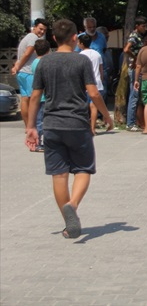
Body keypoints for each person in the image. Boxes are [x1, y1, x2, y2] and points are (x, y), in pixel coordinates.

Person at [25, 19, 114, 239]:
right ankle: (72, 206)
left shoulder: (44, 63)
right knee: (83, 169)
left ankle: (68, 224)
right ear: (75, 37)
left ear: (53, 38)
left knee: (59, 174)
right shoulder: (81, 61)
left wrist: (30, 127)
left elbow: (35, 96)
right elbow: (93, 93)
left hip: (52, 125)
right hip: (77, 124)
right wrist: (105, 115)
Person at [11, 18, 48, 126]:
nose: (42, 32)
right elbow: (27, 54)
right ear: (34, 27)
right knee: (34, 100)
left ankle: (28, 126)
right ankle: (32, 126)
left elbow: (22, 55)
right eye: (40, 29)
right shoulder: (33, 38)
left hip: (21, 73)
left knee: (25, 99)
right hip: (28, 73)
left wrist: (17, 67)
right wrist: (17, 66)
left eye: (44, 30)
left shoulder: (26, 37)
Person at [123, 16, 147, 131]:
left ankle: (133, 122)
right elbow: (126, 49)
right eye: (143, 26)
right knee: (134, 94)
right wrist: (135, 58)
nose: (145, 28)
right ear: (137, 26)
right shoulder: (134, 36)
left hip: (137, 67)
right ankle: (130, 123)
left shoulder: (139, 36)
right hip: (134, 68)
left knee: (136, 95)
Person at [77, 34, 105, 135]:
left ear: (81, 43)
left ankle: (83, 128)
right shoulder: (97, 54)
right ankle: (92, 129)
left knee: (83, 107)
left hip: (84, 85)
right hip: (97, 83)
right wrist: (101, 80)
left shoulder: (80, 55)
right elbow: (101, 70)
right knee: (94, 108)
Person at [30, 39, 51, 152]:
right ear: (48, 50)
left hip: (38, 96)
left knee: (39, 120)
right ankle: (38, 143)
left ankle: (38, 142)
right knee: (41, 121)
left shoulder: (34, 62)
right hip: (44, 96)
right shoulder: (44, 63)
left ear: (35, 51)